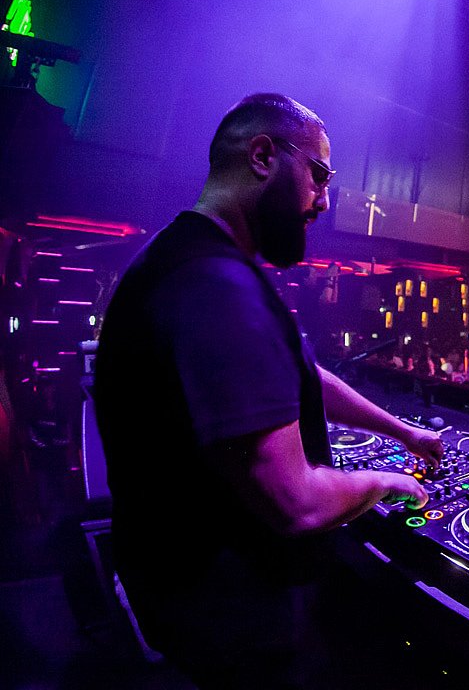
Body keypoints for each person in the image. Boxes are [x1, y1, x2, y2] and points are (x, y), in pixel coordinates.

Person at [93, 94, 444, 687]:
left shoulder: (185, 258)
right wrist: (388, 482)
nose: (324, 201)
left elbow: (304, 376)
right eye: (319, 175)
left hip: (195, 599)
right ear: (262, 155)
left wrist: (403, 432)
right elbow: (296, 502)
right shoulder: (215, 285)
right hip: (233, 620)